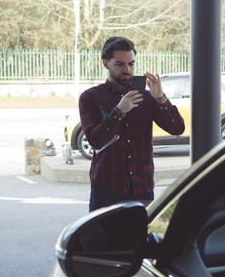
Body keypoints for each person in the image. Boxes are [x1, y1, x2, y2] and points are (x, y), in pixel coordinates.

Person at [79, 36, 185, 211]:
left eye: (131, 64)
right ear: (106, 64)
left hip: (141, 187)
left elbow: (177, 128)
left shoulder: (147, 98)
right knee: (103, 230)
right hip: (106, 188)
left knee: (139, 230)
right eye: (119, 64)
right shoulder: (91, 97)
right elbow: (95, 140)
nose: (127, 70)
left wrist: (160, 97)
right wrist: (119, 111)